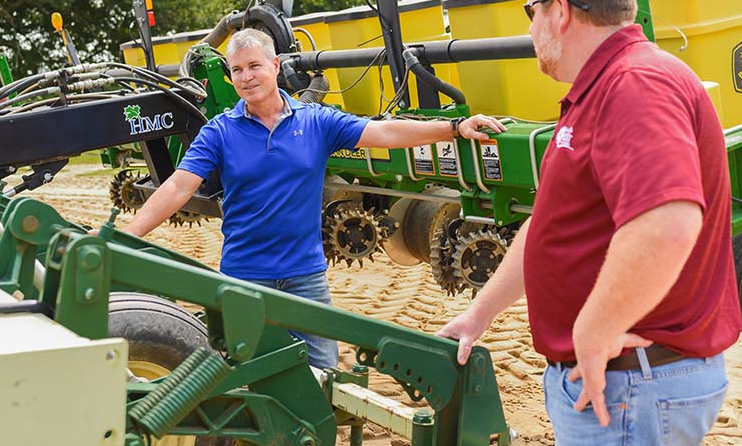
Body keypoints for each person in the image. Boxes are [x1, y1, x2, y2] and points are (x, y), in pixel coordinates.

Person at [437, 0, 742, 446]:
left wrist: (594, 330)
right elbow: (551, 226)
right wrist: (478, 315)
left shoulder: (635, 84)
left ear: (558, 11)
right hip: (619, 385)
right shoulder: (600, 88)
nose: (529, 29)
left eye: (529, 10)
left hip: (629, 384)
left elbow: (668, 222)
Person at [122, 27, 505, 369]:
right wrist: (128, 235)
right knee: (240, 377)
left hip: (305, 278)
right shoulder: (220, 131)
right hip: (244, 278)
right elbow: (177, 187)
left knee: (324, 375)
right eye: (236, 70)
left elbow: (384, 133)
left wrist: (453, 128)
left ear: (274, 65)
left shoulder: (316, 121)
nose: (245, 77)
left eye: (254, 66)